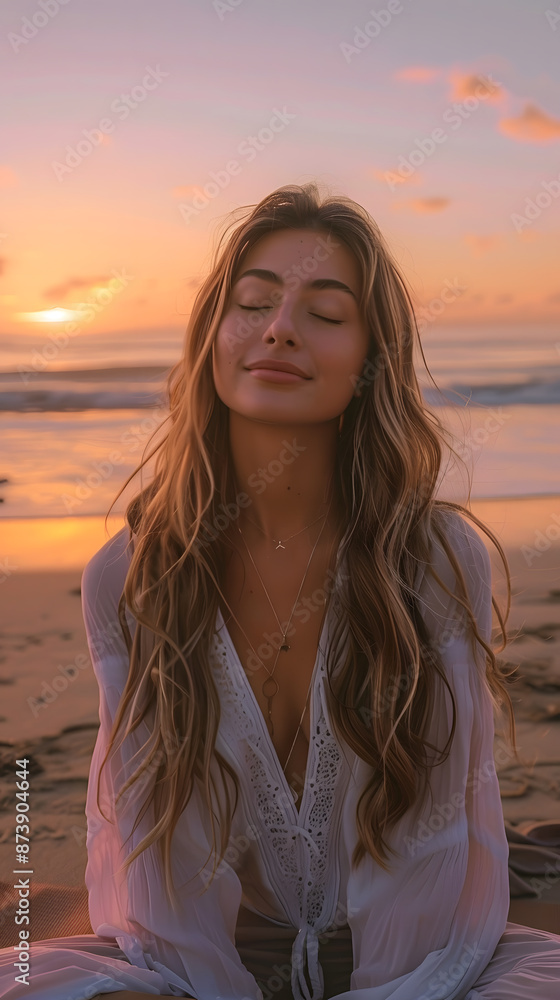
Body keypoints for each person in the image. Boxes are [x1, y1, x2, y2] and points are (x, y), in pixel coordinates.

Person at [2, 182, 560, 1000]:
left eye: (326, 315)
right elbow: (153, 859)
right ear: (213, 337)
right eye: (252, 303)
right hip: (204, 964)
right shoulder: (130, 577)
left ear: (370, 363)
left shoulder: (437, 558)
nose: (279, 328)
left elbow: (439, 846)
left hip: (425, 957)